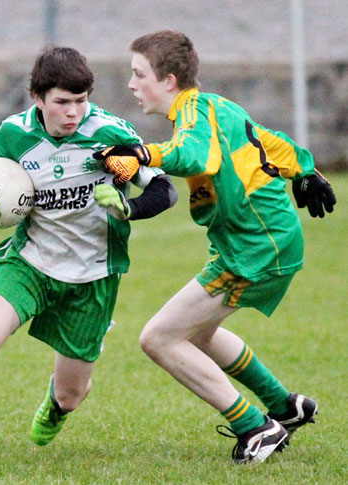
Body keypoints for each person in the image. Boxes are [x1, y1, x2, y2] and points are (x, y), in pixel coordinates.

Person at [0, 44, 177, 468]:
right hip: (29, 262)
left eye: (81, 101)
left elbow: (162, 190)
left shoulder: (108, 138)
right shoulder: (14, 136)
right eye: (62, 102)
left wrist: (127, 205)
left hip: (93, 275)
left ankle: (57, 405)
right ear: (38, 99)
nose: (73, 112)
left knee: (70, 394)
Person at [95, 30, 336, 465]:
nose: (131, 84)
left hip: (256, 248)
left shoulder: (192, 116)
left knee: (159, 338)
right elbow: (266, 138)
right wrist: (305, 167)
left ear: (168, 80)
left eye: (138, 74)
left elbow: (194, 155)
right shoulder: (216, 104)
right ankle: (285, 406)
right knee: (198, 332)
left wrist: (141, 154)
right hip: (255, 242)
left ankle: (257, 427)